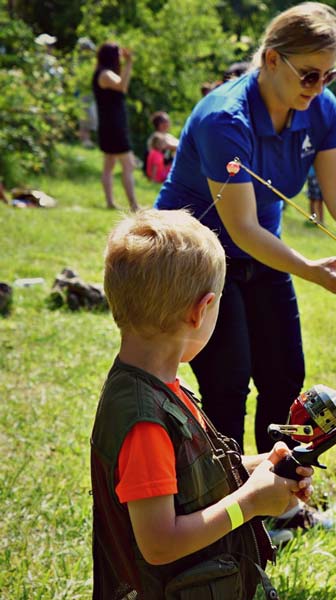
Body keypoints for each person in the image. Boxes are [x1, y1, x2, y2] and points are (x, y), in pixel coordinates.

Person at [154, 2, 336, 454]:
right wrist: (312, 271)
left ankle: (277, 498)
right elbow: (241, 228)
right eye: (310, 74)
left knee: (284, 373)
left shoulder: (320, 107)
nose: (318, 88)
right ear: (271, 59)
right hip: (199, 260)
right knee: (228, 383)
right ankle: (228, 511)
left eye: (329, 76)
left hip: (261, 252)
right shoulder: (226, 119)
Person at [92, 208, 314, 599]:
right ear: (201, 310)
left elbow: (187, 481)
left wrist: (259, 467)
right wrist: (248, 503)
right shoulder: (145, 423)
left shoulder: (162, 387)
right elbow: (159, 543)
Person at [93, 42, 139, 211]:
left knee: (109, 165)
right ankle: (134, 205)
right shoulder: (104, 74)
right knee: (128, 165)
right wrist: (129, 63)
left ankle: (110, 202)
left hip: (110, 124)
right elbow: (122, 86)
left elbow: (121, 86)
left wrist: (127, 64)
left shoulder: (104, 73)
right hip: (113, 126)